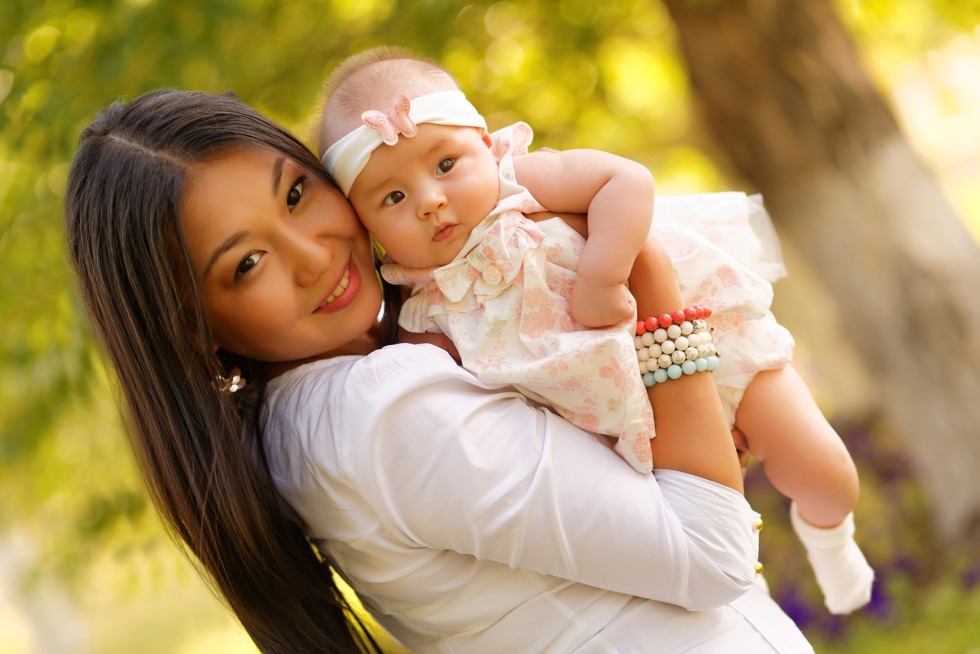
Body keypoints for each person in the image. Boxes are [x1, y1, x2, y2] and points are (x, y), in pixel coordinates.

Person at [65, 87, 815, 652]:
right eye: (248, 262)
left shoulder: (335, 408)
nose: (314, 254)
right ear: (193, 329)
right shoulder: (382, 413)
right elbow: (711, 554)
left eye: (297, 194)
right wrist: (648, 272)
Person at [317, 47, 873, 615]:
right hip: (624, 438)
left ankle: (830, 535)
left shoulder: (523, 183)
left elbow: (622, 180)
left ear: (486, 144)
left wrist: (603, 272)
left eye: (444, 165)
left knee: (823, 471)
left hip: (707, 344)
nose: (430, 202)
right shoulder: (422, 308)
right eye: (393, 197)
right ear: (368, 230)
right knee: (705, 530)